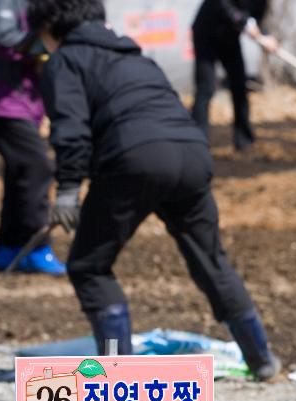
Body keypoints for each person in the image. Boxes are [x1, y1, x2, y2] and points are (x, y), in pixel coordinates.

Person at [28, 0, 280, 378]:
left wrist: (67, 190)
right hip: (192, 154)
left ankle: (116, 369)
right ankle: (261, 358)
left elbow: (70, 129)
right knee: (211, 260)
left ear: (49, 25)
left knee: (89, 266)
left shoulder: (65, 61)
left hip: (134, 160)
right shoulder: (137, 58)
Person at [0, 0, 65, 274]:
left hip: (22, 104)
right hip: (1, 103)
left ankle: (9, 248)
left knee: (20, 172)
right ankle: (36, 247)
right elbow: (3, 37)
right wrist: (47, 50)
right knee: (38, 167)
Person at [190, 0, 277, 152]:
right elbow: (223, 5)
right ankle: (197, 142)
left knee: (239, 86)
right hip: (206, 33)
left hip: (229, 38)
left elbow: (257, 19)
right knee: (206, 88)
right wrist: (245, 23)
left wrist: (265, 36)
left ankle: (244, 141)